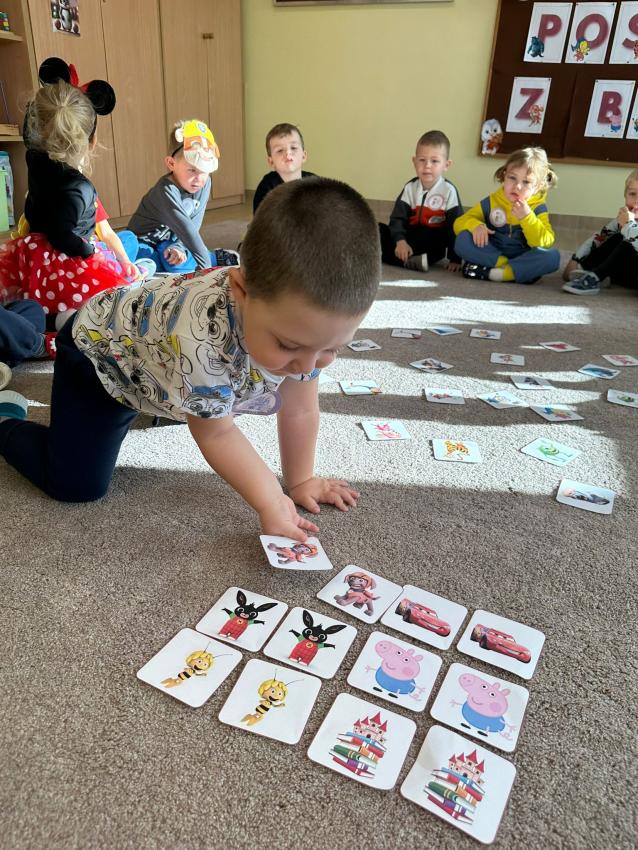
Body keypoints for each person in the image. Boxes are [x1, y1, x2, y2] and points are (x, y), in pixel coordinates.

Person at [0, 178, 381, 542]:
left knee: (204, 399)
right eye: (288, 345)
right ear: (241, 290)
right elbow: (217, 433)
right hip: (99, 357)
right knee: (74, 485)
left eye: (332, 348)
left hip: (158, 361)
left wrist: (300, 481)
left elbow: (300, 409)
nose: (308, 366)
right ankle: (6, 423)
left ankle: (29, 318)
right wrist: (270, 501)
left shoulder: (304, 335)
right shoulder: (199, 338)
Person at [0, 57, 132, 328]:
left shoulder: (34, 158)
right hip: (63, 261)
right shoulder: (80, 188)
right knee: (109, 295)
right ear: (91, 141)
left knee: (127, 241)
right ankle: (63, 318)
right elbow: (62, 235)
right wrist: (88, 251)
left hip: (33, 251)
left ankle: (45, 311)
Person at [128, 119, 239, 274]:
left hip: (171, 240)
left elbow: (194, 223)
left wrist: (179, 247)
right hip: (145, 241)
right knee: (145, 261)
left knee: (175, 261)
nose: (199, 178)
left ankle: (214, 257)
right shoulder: (166, 191)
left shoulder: (204, 183)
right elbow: (188, 232)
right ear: (171, 163)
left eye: (205, 170)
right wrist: (207, 272)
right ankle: (210, 258)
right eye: (192, 170)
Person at [454, 147, 560, 284]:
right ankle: (515, 271)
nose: (517, 186)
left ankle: (498, 274)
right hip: (493, 253)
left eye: (526, 182)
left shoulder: (538, 207)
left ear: (538, 187)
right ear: (504, 175)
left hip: (522, 254)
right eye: (512, 178)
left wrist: (527, 218)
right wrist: (476, 226)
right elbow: (459, 223)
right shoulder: (492, 201)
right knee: (462, 240)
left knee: (552, 257)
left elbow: (544, 242)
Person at [379, 130, 462, 272]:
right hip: (408, 239)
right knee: (377, 229)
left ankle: (401, 259)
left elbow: (455, 226)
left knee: (433, 236)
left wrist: (455, 259)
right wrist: (400, 241)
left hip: (432, 243)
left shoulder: (448, 191)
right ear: (414, 161)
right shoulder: (410, 188)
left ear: (446, 165)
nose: (427, 165)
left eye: (434, 161)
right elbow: (397, 219)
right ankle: (410, 261)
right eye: (422, 160)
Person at [562, 169, 638, 295]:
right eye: (632, 194)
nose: (636, 200)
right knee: (614, 237)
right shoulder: (622, 219)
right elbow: (600, 237)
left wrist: (628, 225)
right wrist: (576, 260)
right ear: (625, 196)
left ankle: (596, 276)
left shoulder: (626, 222)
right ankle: (588, 271)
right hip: (627, 275)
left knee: (628, 242)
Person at [253, 123, 316, 213]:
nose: (288, 153)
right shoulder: (267, 187)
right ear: (271, 162)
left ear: (303, 156)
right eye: (280, 150)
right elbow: (260, 218)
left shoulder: (315, 183)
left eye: (293, 148)